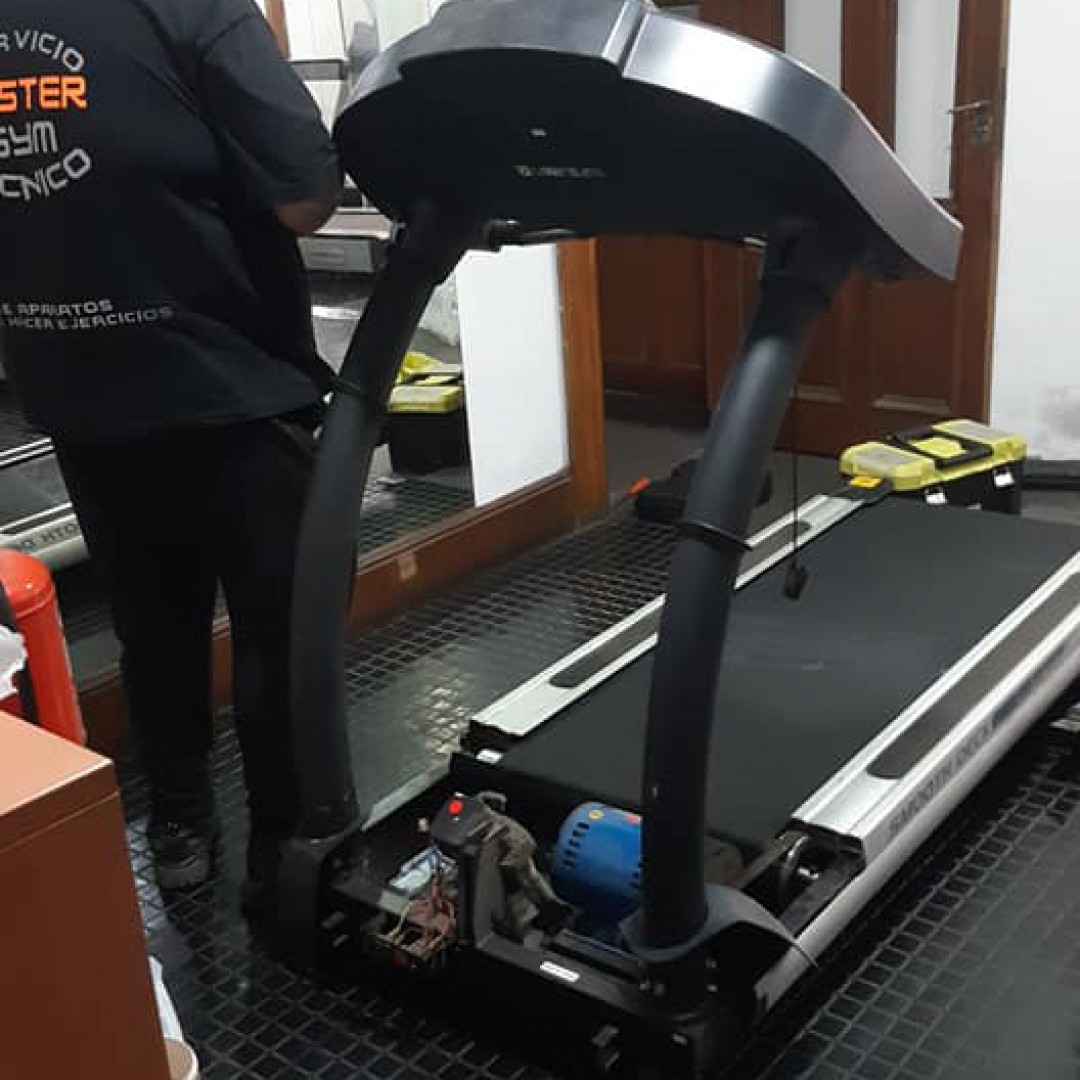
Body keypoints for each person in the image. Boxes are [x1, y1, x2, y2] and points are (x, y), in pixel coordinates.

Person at [0, 0, 343, 904]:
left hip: (79, 389)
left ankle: (181, 823)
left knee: (151, 626)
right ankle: (283, 852)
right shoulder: (193, 8)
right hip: (225, 383)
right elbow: (307, 197)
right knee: (279, 630)